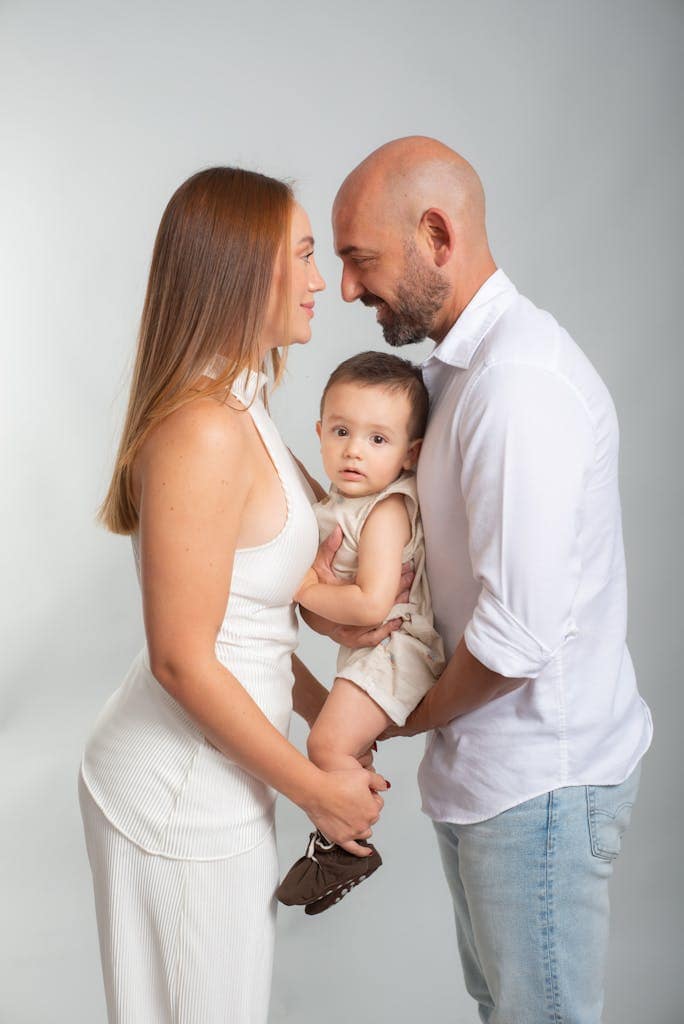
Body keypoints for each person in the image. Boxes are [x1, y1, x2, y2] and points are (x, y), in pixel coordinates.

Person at [309, 136, 653, 1023]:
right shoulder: (451, 374)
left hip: (538, 782)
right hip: (489, 771)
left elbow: (518, 636)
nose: (347, 288)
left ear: (436, 235)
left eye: (361, 259)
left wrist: (400, 713)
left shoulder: (515, 383)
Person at [78, 166, 392, 1024]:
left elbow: (251, 620)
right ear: (245, 269)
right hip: (180, 801)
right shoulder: (205, 428)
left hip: (221, 784)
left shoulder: (245, 399)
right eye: (301, 255)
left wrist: (331, 722)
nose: (324, 279)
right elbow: (183, 657)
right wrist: (312, 788)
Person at [276, 351, 445, 914]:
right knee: (341, 745)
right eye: (343, 431)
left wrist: (300, 587)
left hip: (400, 648)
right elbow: (344, 615)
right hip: (376, 648)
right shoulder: (343, 500)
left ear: (409, 455)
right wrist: (322, 612)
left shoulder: (386, 510)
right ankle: (342, 833)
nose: (354, 450)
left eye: (378, 439)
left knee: (324, 744)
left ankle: (347, 847)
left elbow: (372, 603)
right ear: (320, 431)